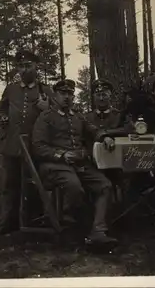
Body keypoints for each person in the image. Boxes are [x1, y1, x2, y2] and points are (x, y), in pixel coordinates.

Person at [31, 79, 119, 245]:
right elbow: (38, 147)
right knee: (74, 188)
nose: (67, 97)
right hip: (54, 166)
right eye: (62, 93)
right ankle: (71, 225)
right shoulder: (46, 117)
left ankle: (98, 231)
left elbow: (93, 130)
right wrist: (62, 155)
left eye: (70, 94)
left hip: (79, 165)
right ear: (55, 96)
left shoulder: (77, 116)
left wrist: (105, 136)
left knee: (105, 186)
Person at [0, 50, 53, 236]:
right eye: (21, 66)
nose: (25, 69)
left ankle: (34, 222)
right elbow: (1, 108)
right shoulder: (11, 89)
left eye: (28, 65)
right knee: (10, 184)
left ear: (37, 67)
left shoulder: (45, 90)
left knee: (35, 184)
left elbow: (56, 118)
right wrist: (3, 117)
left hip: (35, 146)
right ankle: (8, 223)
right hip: (12, 144)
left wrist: (47, 109)